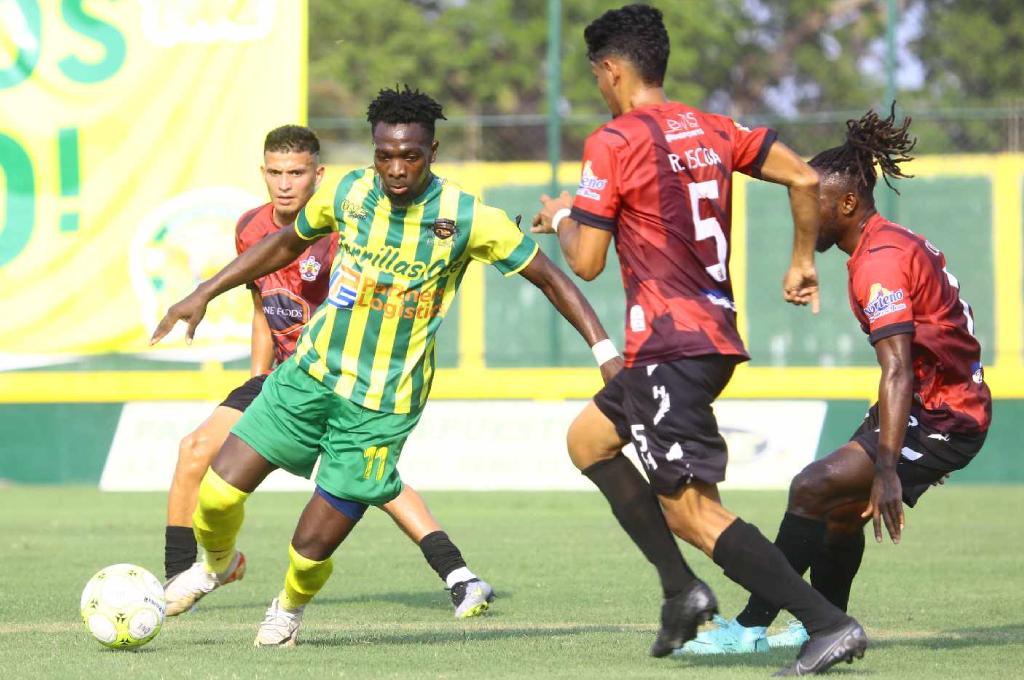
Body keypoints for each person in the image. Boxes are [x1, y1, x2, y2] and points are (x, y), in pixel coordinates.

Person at [151, 86, 622, 646]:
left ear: (433, 151)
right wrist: (204, 292)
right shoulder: (349, 193)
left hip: (381, 404)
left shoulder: (469, 217)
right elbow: (284, 245)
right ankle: (218, 565)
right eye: (385, 155)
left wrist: (605, 352)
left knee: (309, 547)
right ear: (373, 150)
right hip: (309, 376)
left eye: (410, 156)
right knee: (218, 496)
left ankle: (288, 609)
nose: (396, 169)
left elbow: (550, 278)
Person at [531, 5, 867, 675]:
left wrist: (565, 215)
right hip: (709, 337)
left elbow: (588, 260)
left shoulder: (614, 140)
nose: (599, 87)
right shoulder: (713, 128)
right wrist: (803, 258)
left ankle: (827, 623)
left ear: (612, 69)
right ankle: (679, 590)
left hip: (668, 345)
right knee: (588, 440)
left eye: (597, 76)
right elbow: (804, 176)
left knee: (691, 511)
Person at [682, 106, 992, 654]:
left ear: (847, 203)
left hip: (946, 415)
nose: (804, 215)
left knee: (812, 486)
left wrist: (888, 470)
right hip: (928, 403)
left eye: (811, 203)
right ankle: (821, 623)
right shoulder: (881, 245)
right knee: (840, 509)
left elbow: (895, 367)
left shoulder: (880, 261)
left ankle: (753, 627)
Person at [162, 124, 496, 620]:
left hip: (346, 377)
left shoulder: (349, 224)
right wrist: (259, 377)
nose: (284, 183)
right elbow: (263, 302)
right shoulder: (251, 228)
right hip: (285, 378)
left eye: (296, 173)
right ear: (262, 173)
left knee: (375, 482)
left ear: (317, 176)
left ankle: (458, 574)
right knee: (196, 451)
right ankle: (186, 573)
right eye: (275, 172)